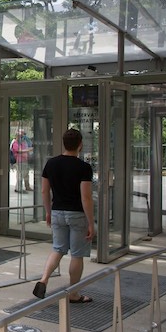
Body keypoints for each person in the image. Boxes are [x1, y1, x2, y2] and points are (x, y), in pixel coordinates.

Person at [32, 128, 95, 304]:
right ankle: (74, 294)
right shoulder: (84, 168)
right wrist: (91, 223)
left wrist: (48, 211)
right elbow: (86, 197)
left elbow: (45, 190)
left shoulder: (51, 164)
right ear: (80, 145)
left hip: (57, 212)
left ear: (63, 144)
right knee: (77, 254)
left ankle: (44, 279)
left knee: (58, 249)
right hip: (77, 215)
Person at [10, 129, 34, 193]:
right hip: (19, 161)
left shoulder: (23, 142)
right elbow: (19, 150)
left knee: (26, 174)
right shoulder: (15, 142)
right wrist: (29, 150)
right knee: (20, 175)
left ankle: (27, 186)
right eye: (20, 135)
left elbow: (27, 147)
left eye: (23, 134)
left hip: (25, 160)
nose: (22, 136)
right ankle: (18, 188)